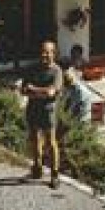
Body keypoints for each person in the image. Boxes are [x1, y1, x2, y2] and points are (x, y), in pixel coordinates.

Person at [20, 40, 64, 188]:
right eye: (43, 52)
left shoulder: (57, 71)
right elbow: (24, 90)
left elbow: (53, 92)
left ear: (54, 53)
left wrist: (35, 89)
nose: (45, 55)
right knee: (34, 139)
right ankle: (37, 168)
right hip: (33, 109)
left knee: (51, 142)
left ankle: (54, 174)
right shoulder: (32, 69)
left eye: (48, 52)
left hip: (48, 111)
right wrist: (43, 91)